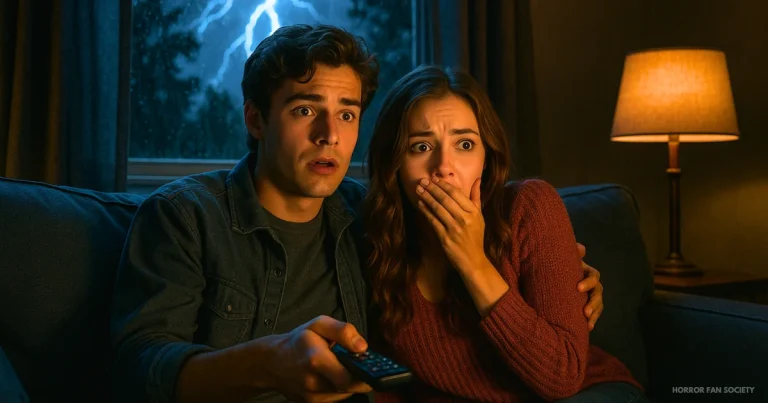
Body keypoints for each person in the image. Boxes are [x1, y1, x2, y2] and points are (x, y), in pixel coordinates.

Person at [110, 24, 604, 403]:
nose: (330, 134)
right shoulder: (184, 216)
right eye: (305, 110)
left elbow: (512, 263)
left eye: (347, 113)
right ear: (256, 118)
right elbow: (140, 364)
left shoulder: (368, 216)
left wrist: (563, 272)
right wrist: (266, 364)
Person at [362, 65, 646, 402]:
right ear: (393, 165)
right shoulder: (377, 245)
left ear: (486, 157)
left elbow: (562, 377)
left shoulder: (529, 206)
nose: (443, 166)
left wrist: (473, 264)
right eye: (420, 147)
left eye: (465, 144)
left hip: (585, 391)